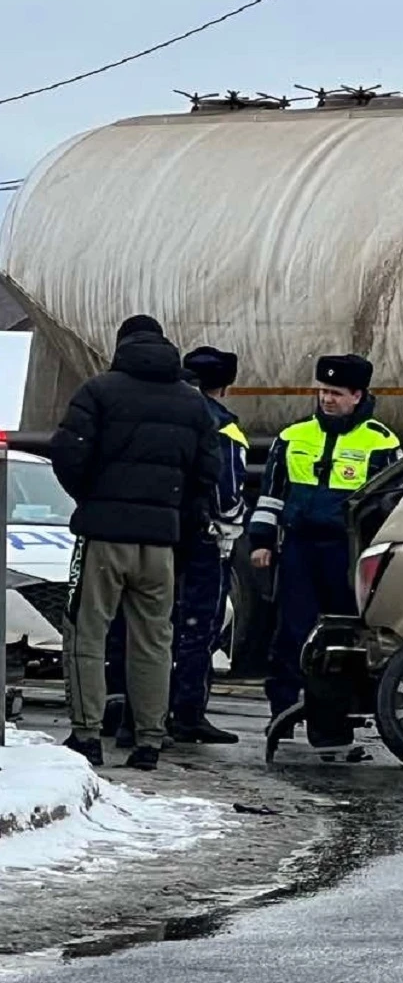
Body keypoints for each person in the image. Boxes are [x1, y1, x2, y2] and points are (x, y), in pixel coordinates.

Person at [52, 315, 221, 770]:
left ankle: (87, 734)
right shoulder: (192, 404)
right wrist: (175, 518)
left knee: (86, 633)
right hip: (160, 544)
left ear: (120, 346)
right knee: (154, 641)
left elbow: (68, 453)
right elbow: (207, 474)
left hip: (103, 538)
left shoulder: (98, 391)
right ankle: (149, 740)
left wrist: (91, 499)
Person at [251, 354, 401, 758]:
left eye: (335, 393)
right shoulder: (293, 437)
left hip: (347, 552)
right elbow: (271, 495)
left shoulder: (381, 441)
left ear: (358, 395)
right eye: (322, 391)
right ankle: (281, 711)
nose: (327, 400)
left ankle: (332, 726)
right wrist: (261, 541)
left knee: (342, 640)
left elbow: (391, 506)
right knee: (291, 633)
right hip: (299, 547)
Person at [167, 346, 250, 744]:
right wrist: (229, 525)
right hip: (206, 540)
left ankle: (146, 708)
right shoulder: (223, 427)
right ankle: (188, 713)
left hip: (166, 534)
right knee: (200, 627)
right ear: (225, 386)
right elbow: (227, 490)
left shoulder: (170, 415)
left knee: (157, 625)